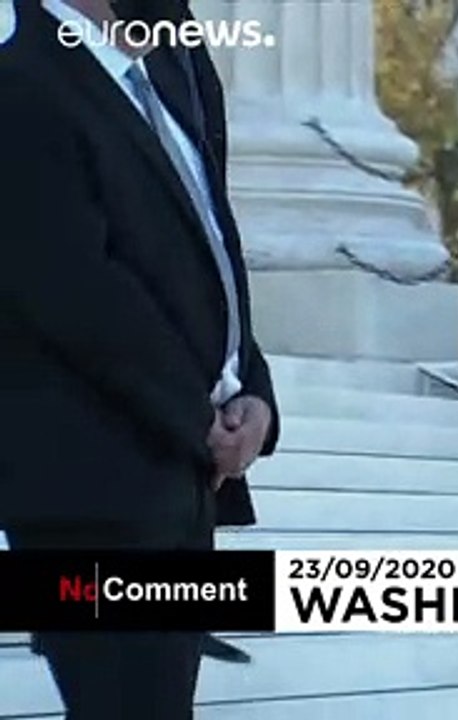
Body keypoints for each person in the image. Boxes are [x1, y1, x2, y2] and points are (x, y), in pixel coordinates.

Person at [0, 0, 280, 715]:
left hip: (178, 484)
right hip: (90, 490)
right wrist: (197, 416)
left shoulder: (168, 83)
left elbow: (211, 252)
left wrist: (253, 391)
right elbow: (74, 289)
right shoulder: (22, 86)